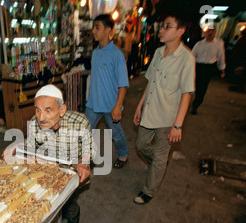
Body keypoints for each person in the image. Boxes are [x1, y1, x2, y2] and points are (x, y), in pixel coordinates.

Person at [4, 84, 94, 223]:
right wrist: (20, 145)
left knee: (67, 202)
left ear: (62, 110)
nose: (41, 117)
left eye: (48, 110)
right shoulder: (35, 122)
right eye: (38, 110)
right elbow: (34, 144)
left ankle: (73, 213)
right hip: (49, 164)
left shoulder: (79, 123)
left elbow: (87, 149)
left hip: (72, 166)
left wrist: (82, 164)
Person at [133, 12, 195, 205]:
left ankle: (148, 191)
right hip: (150, 112)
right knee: (140, 145)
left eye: (168, 26)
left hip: (168, 118)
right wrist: (139, 105)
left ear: (180, 31)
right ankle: (157, 167)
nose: (162, 29)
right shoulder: (159, 53)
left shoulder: (187, 59)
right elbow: (150, 81)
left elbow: (187, 93)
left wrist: (178, 125)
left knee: (160, 155)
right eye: (163, 25)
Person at [85, 14, 129, 169]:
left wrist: (118, 106)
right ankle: (85, 158)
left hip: (111, 105)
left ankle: (123, 155)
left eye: (98, 27)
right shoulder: (95, 52)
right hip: (93, 103)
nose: (94, 31)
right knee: (85, 131)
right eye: (94, 27)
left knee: (116, 133)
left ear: (108, 30)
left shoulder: (116, 54)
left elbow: (123, 84)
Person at [190, 25, 226, 115]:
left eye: (212, 31)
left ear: (215, 32)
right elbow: (191, 56)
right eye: (208, 31)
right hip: (198, 66)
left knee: (203, 87)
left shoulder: (219, 44)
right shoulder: (199, 44)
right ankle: (195, 100)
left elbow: (221, 57)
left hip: (209, 68)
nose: (210, 33)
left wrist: (222, 70)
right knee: (196, 85)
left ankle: (196, 104)